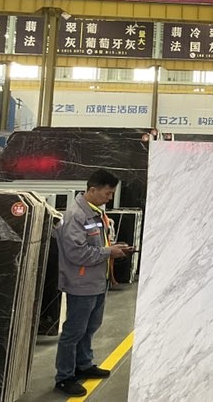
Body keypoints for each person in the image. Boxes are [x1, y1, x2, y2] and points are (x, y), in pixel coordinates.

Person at [54, 169, 133, 396]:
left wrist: (114, 248)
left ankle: (83, 364)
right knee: (73, 332)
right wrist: (109, 252)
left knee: (89, 328)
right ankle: (64, 377)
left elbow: (97, 244)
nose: (110, 198)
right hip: (81, 283)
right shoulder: (76, 216)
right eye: (107, 193)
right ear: (92, 190)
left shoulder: (95, 213)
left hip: (96, 281)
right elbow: (76, 253)